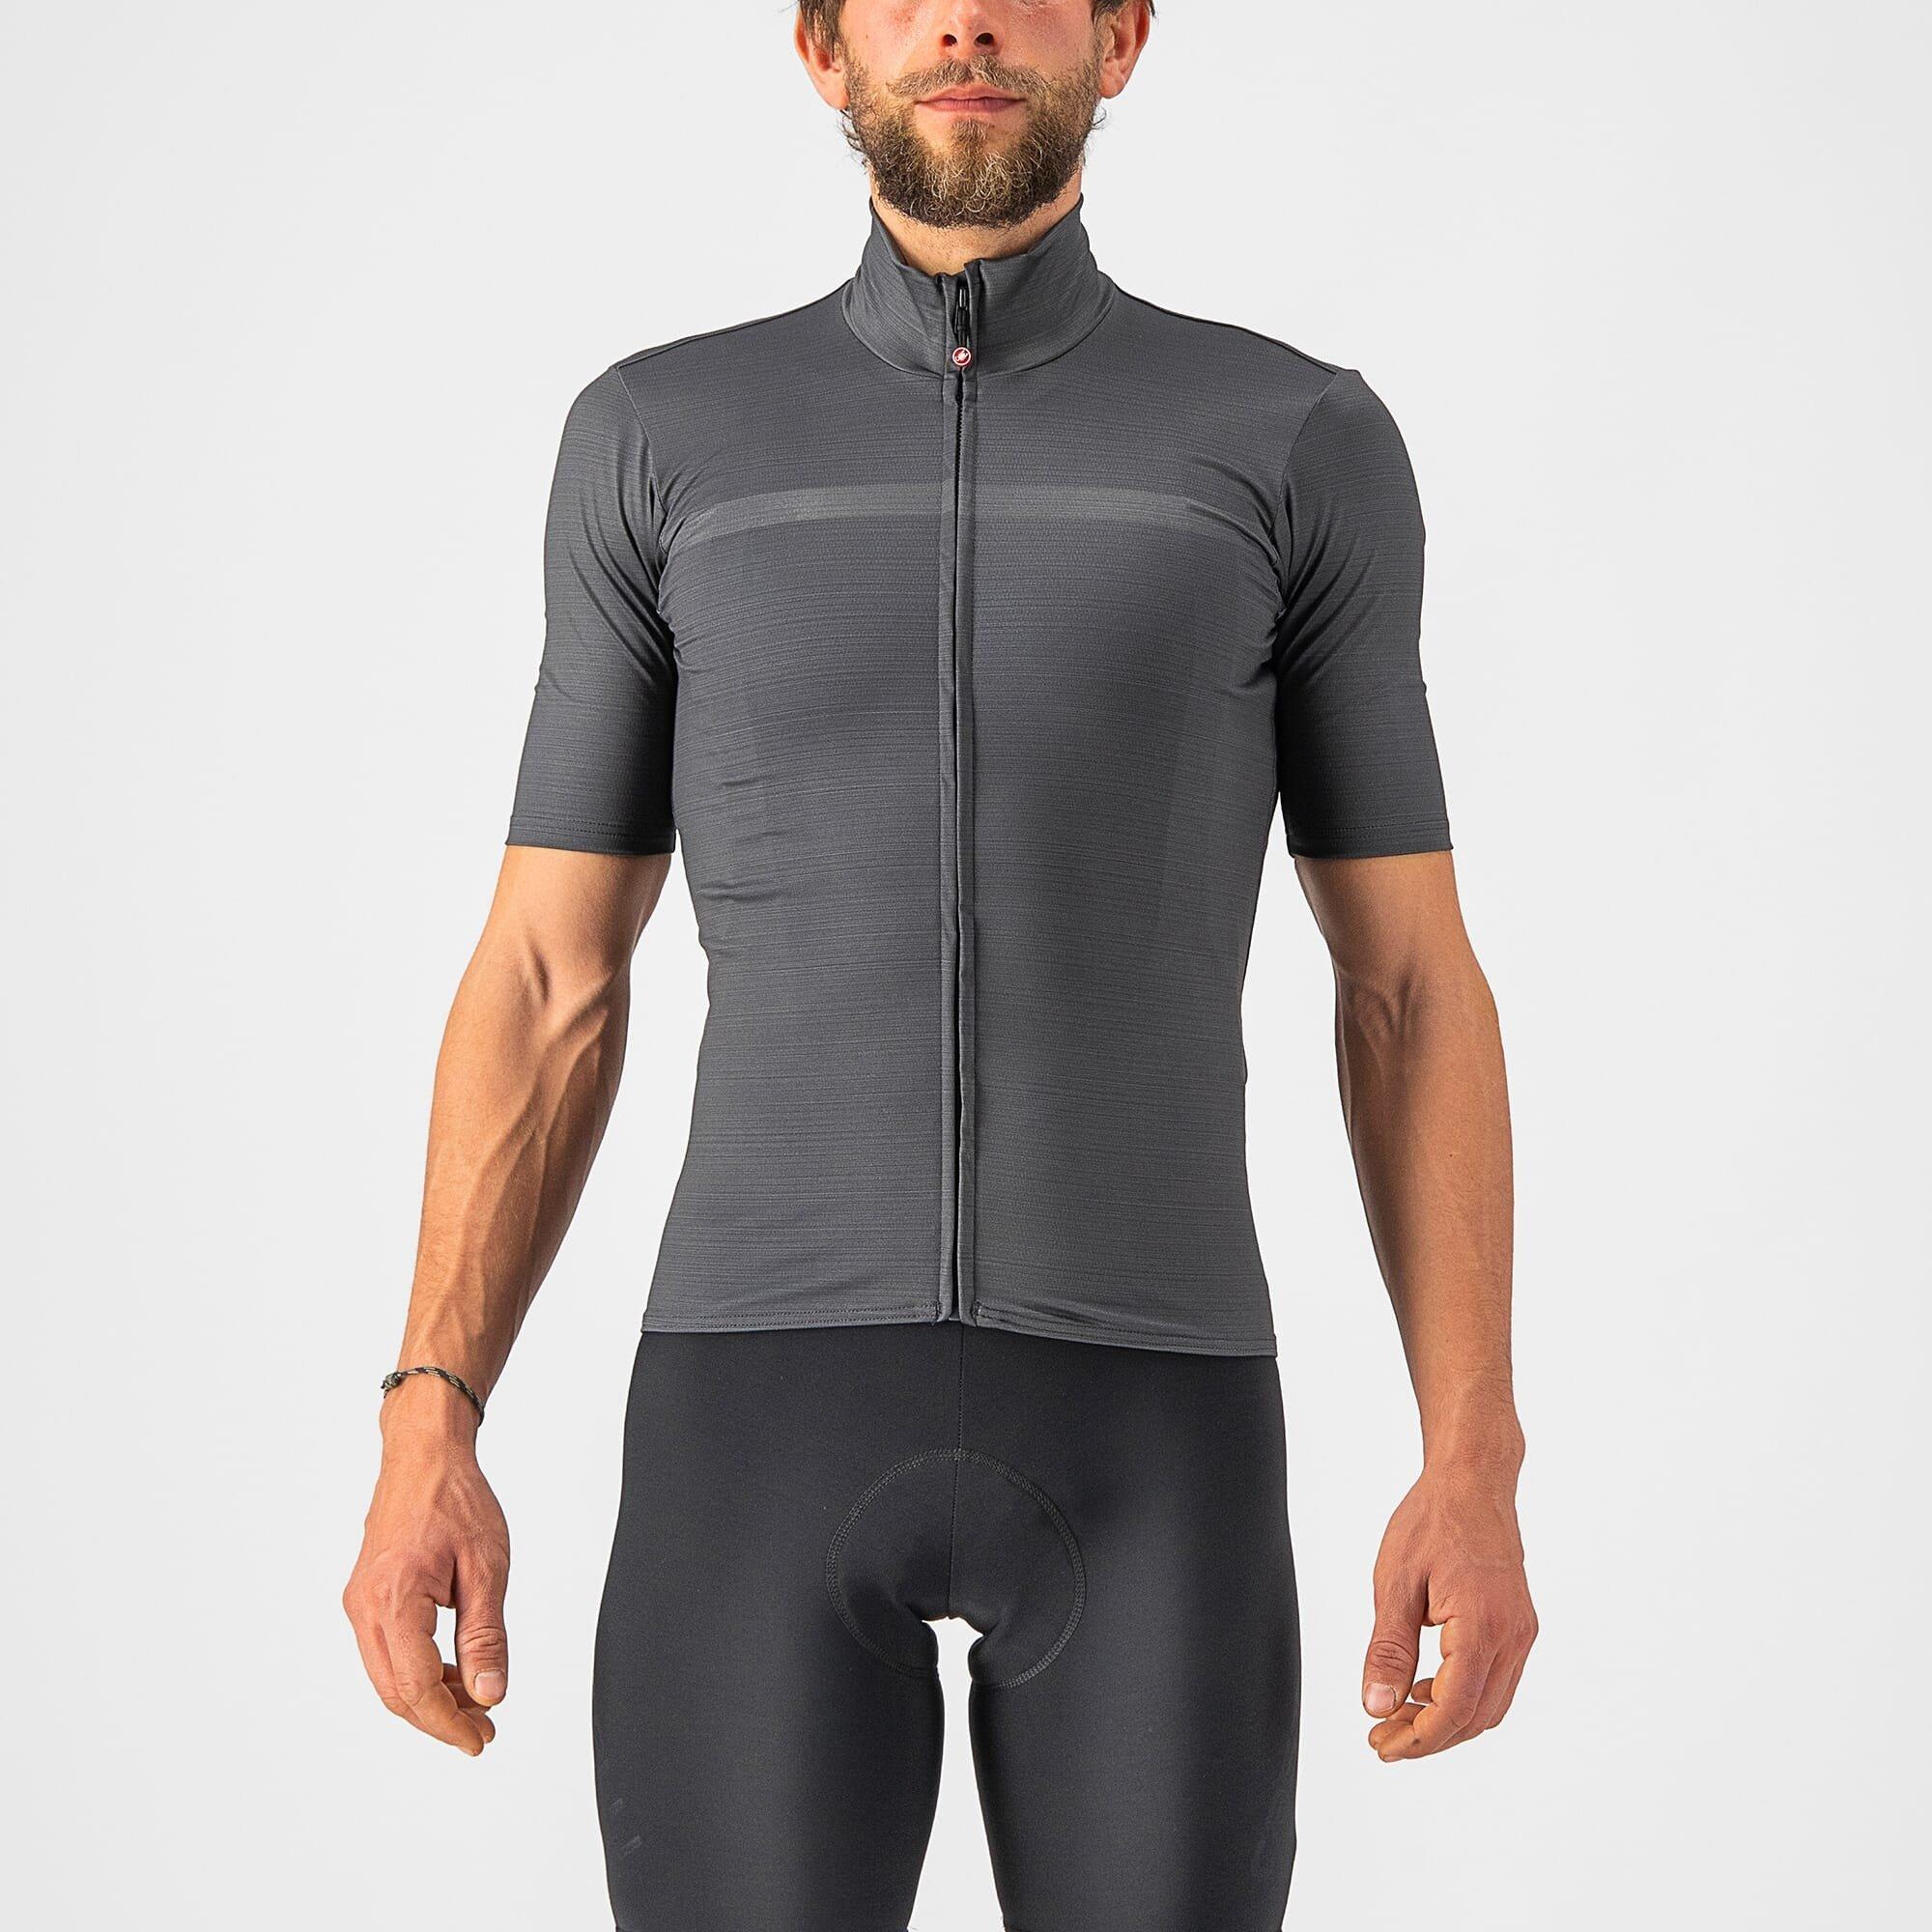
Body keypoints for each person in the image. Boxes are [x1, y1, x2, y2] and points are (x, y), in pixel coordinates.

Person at [343, 3, 1537, 1926]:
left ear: (1120, 36)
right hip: (755, 1422)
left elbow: (1407, 986)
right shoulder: (661, 440)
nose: (966, 17)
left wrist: (1471, 1460)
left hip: (1157, 1427)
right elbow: (551, 977)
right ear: (823, 50)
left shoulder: (1293, 442)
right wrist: (430, 1417)